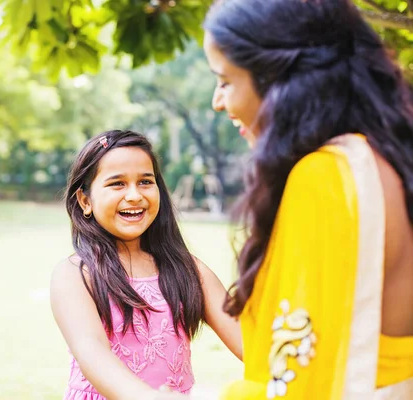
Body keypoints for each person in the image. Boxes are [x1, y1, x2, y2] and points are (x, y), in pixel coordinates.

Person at [198, 0, 413, 398]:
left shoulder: (328, 178)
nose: (218, 102)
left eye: (225, 81)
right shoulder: (385, 160)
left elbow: (296, 385)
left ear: (280, 79)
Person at [50, 130, 242, 400]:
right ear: (85, 200)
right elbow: (91, 352)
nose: (134, 196)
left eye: (145, 182)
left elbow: (247, 338)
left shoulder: (189, 269)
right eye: (117, 184)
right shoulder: (75, 275)